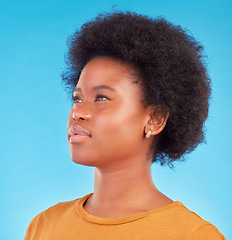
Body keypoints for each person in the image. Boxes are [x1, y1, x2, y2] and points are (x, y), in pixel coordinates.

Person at [24, 10, 226, 239]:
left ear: (155, 119)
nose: (78, 112)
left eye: (101, 98)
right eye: (77, 99)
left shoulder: (192, 235)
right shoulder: (44, 226)